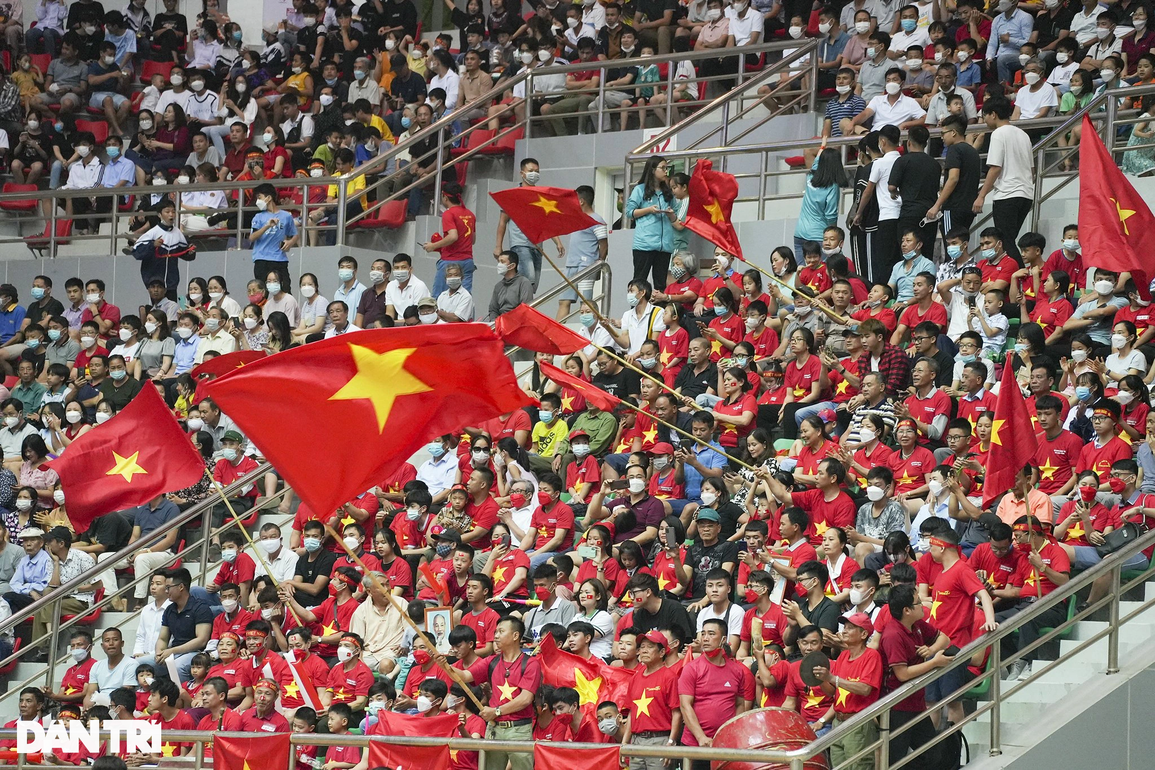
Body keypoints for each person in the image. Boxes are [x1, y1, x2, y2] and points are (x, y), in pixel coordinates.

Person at [678, 618, 753, 768]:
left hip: (726, 745)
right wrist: (701, 737)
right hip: (695, 745)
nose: (705, 638)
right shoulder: (691, 668)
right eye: (703, 634)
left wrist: (735, 735)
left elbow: (739, 705)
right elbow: (685, 705)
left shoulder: (737, 670)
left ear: (723, 639)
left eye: (711, 634)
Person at [973, 97, 1033, 263]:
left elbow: (995, 167)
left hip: (1007, 194)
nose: (984, 119)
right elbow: (1032, 170)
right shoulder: (1023, 135)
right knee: (1009, 239)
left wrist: (981, 195)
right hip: (1025, 194)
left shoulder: (998, 134)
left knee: (1005, 241)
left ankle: (1019, 275)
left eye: (985, 115)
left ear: (993, 114)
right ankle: (1013, 279)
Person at [626, 155, 676, 291]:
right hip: (644, 244)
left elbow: (675, 217)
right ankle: (636, 311)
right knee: (639, 282)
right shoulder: (640, 190)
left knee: (660, 284)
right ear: (653, 170)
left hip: (664, 245)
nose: (666, 171)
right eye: (663, 168)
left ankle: (659, 311)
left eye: (667, 168)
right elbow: (629, 212)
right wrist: (648, 210)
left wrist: (671, 214)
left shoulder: (668, 192)